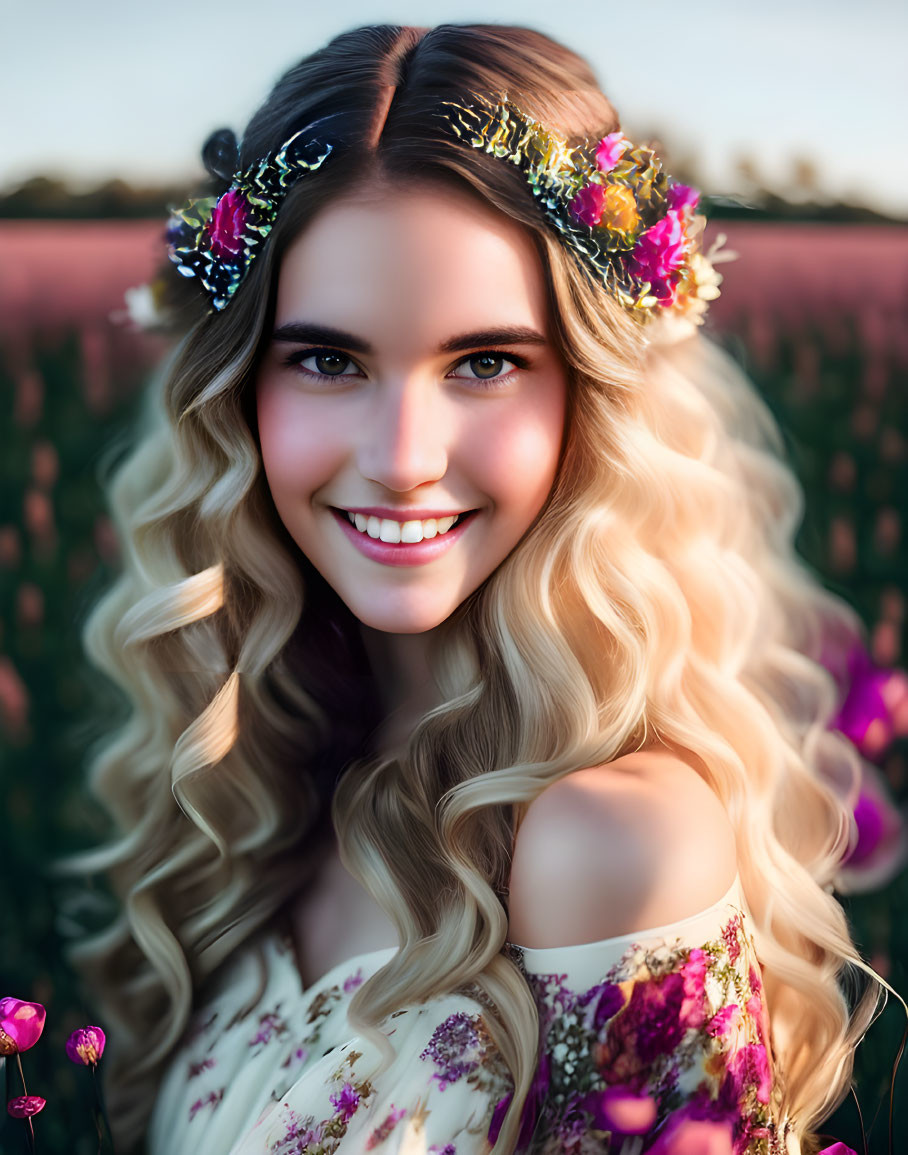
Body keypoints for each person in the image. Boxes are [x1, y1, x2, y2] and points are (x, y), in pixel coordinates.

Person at [64, 21, 898, 1155]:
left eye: (485, 363)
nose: (402, 454)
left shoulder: (612, 847)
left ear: (589, 400)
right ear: (239, 392)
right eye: (327, 359)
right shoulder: (269, 785)